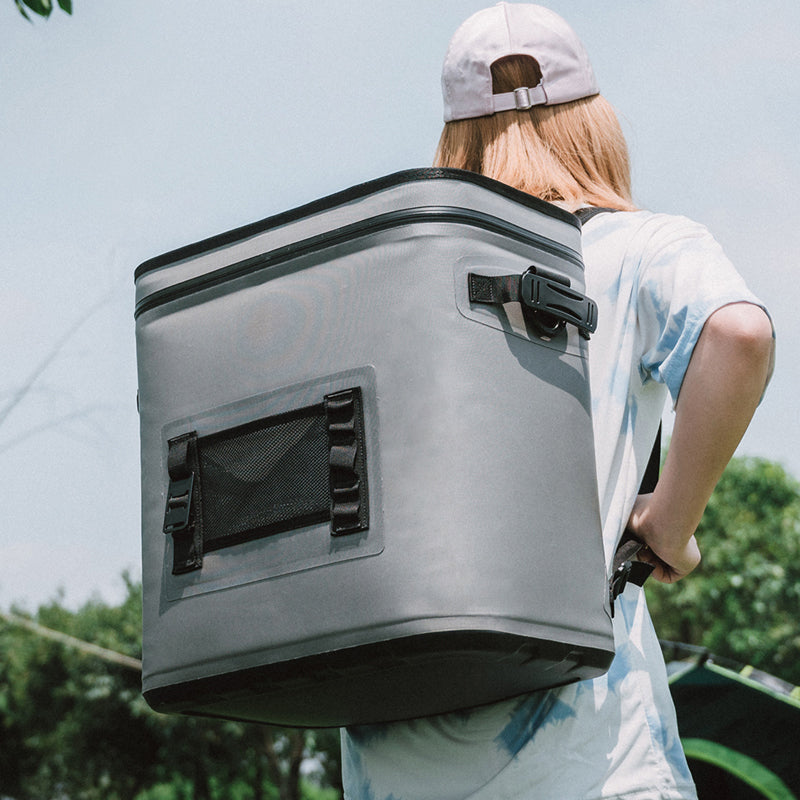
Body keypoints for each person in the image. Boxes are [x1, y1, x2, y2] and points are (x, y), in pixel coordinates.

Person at [340, 4, 775, 799]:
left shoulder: (395, 272)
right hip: (592, 752)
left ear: (456, 138)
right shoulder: (637, 247)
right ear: (592, 122)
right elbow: (739, 335)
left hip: (392, 748)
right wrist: (667, 522)